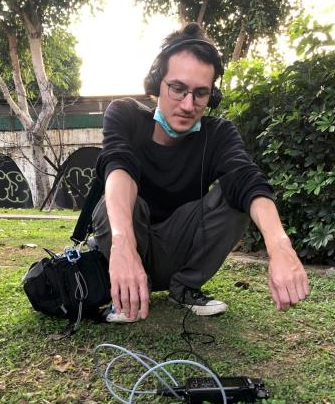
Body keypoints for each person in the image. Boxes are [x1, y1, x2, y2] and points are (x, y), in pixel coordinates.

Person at [92, 23, 309, 323]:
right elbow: (118, 166)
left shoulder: (218, 134)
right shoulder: (124, 114)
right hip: (130, 238)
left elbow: (246, 179)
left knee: (237, 199)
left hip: (180, 241)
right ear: (157, 84)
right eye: (178, 89)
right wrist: (122, 243)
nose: (188, 105)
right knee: (109, 204)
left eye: (201, 94)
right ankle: (128, 294)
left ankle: (185, 287)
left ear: (212, 96)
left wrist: (280, 246)